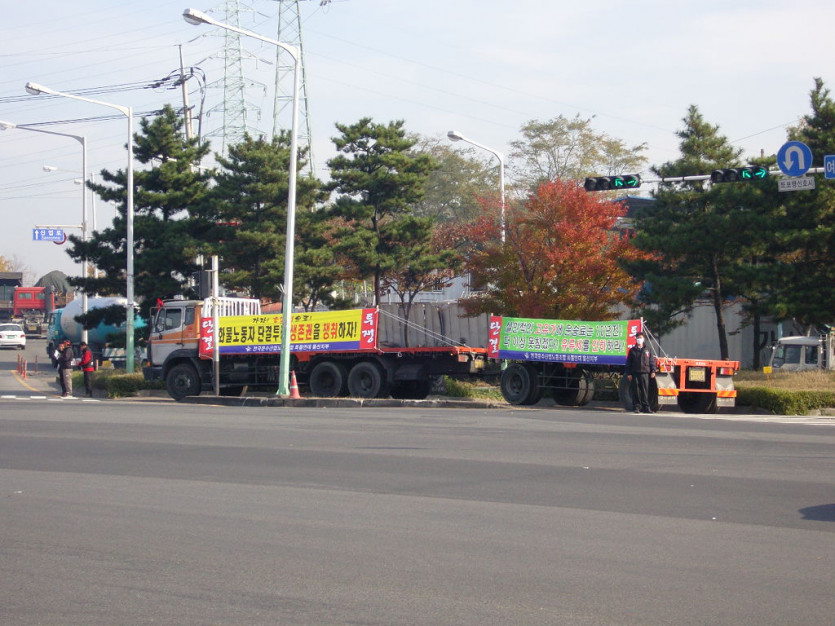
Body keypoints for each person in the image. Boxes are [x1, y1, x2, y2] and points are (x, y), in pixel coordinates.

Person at [625, 331, 656, 413]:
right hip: (635, 372)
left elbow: (651, 361)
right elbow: (628, 363)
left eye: (641, 338)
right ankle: (637, 407)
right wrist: (628, 373)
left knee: (645, 391)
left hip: (645, 372)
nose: (639, 339)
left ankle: (646, 407)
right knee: (636, 391)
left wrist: (653, 370)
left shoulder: (648, 349)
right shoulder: (632, 350)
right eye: (638, 338)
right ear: (636, 339)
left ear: (644, 339)